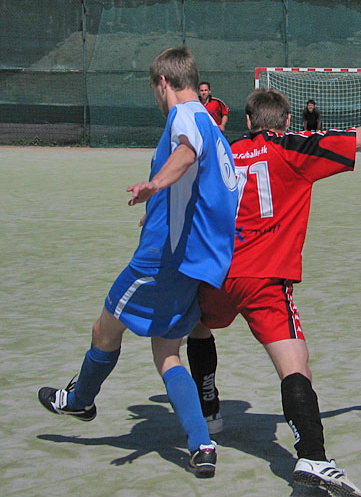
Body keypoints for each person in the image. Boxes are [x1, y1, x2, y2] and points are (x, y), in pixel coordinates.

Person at [186, 87, 361, 496]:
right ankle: (313, 457)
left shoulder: (224, 152)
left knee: (198, 325)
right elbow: (359, 138)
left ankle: (208, 408)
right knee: (295, 366)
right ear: (286, 122)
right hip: (265, 280)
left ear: (248, 121)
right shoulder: (293, 148)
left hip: (218, 274)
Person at [37, 46, 239, 477]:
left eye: (154, 89)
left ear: (163, 83)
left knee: (104, 330)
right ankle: (202, 444)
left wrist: (155, 184)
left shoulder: (184, 115)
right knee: (167, 352)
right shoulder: (214, 126)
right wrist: (161, 202)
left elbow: (185, 153)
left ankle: (79, 401)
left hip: (157, 262)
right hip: (190, 266)